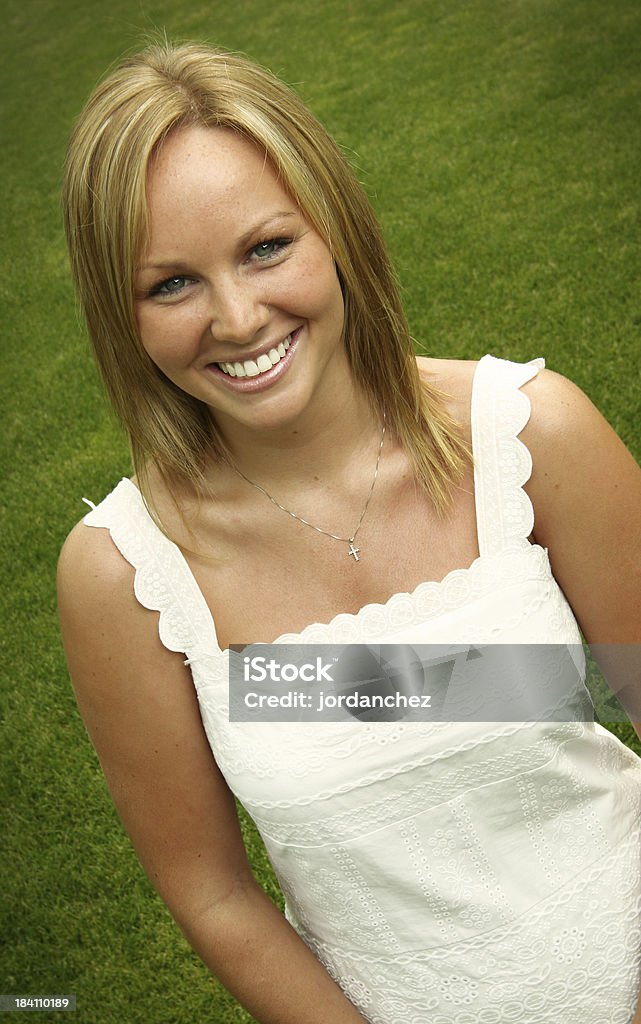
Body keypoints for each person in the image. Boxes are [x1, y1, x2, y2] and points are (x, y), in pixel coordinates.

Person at [57, 40, 641, 1024]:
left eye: (264, 247)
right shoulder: (124, 574)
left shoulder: (532, 434)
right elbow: (213, 892)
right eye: (170, 284)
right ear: (121, 317)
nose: (238, 318)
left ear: (333, 226)